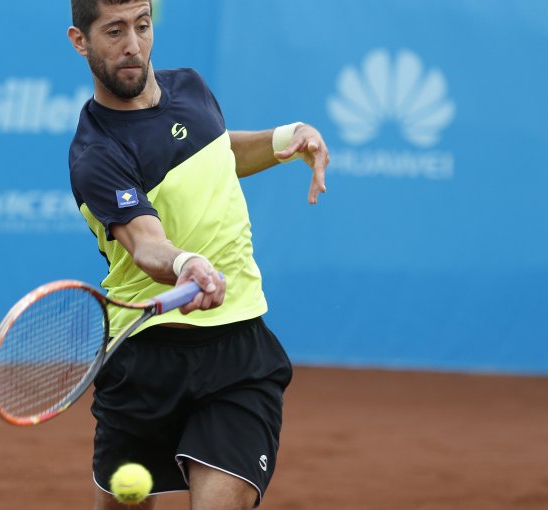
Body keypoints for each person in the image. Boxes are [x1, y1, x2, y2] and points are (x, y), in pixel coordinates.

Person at [66, 1, 329, 508]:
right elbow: (145, 243)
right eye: (115, 31)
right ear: (80, 40)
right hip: (143, 359)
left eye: (142, 26)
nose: (133, 46)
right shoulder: (95, 154)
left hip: (237, 353)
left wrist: (283, 140)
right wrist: (186, 263)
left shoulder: (190, 86)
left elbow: (217, 154)